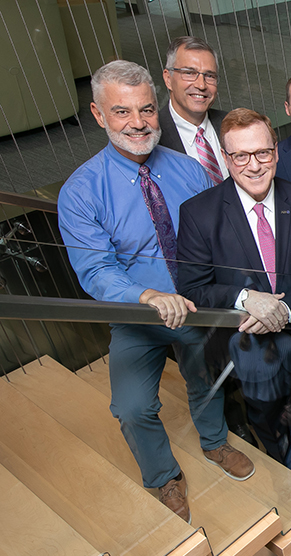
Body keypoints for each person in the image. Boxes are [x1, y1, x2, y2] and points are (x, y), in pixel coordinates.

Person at [57, 60, 253, 522]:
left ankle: (215, 442)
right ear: (99, 115)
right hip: (137, 314)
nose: (139, 122)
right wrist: (146, 297)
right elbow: (95, 269)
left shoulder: (189, 170)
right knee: (131, 407)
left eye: (146, 109)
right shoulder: (81, 191)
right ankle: (163, 476)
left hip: (194, 307)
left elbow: (224, 231)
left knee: (205, 377)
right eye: (122, 112)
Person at [176, 107, 291, 489]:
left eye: (262, 153)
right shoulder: (199, 214)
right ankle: (281, 466)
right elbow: (193, 288)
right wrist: (244, 297)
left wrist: (284, 308)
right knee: (266, 414)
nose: (253, 165)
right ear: (225, 158)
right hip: (246, 350)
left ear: (276, 152)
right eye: (241, 156)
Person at [158, 36, 228, 184]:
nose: (201, 85)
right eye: (189, 73)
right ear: (168, 79)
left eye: (209, 76)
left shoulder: (231, 124)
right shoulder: (152, 137)